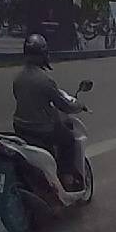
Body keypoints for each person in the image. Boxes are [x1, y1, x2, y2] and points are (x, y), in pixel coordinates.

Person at [13, 33, 84, 189]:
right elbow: (64, 105)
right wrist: (79, 106)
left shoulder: (18, 78)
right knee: (68, 140)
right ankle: (66, 177)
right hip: (41, 129)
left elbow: (21, 98)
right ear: (43, 55)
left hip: (20, 127)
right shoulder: (45, 80)